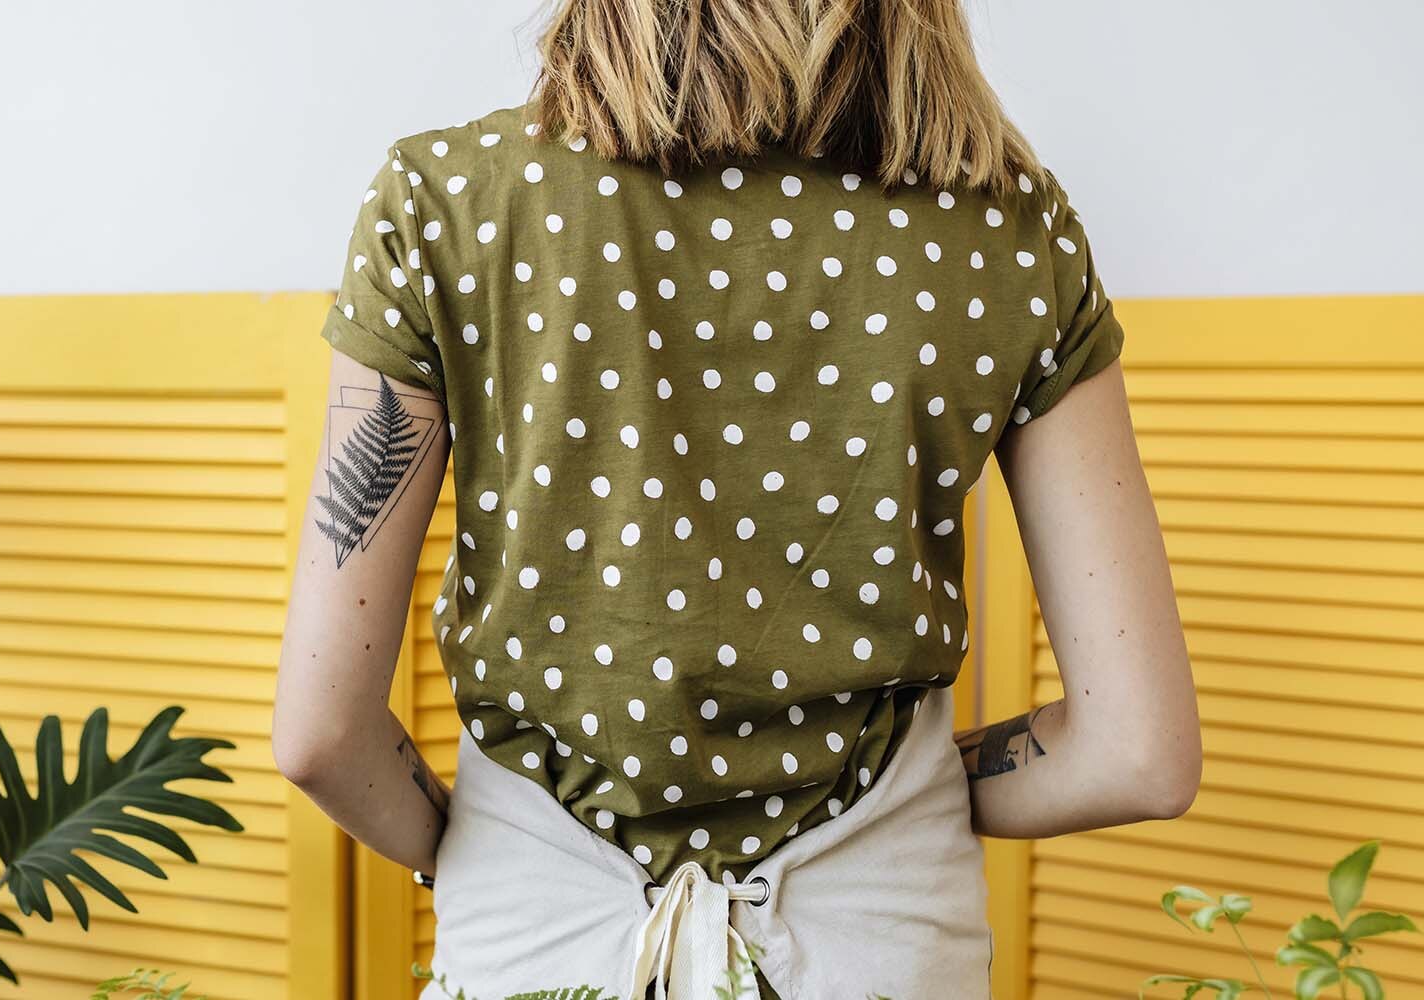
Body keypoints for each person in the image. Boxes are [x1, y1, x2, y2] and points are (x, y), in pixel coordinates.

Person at [273, 1, 1202, 996]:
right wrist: (907, 797)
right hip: (886, 946)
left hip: (531, 939)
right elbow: (1134, 752)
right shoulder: (1011, 232)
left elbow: (322, 733)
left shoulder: (446, 204)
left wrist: (489, 846)